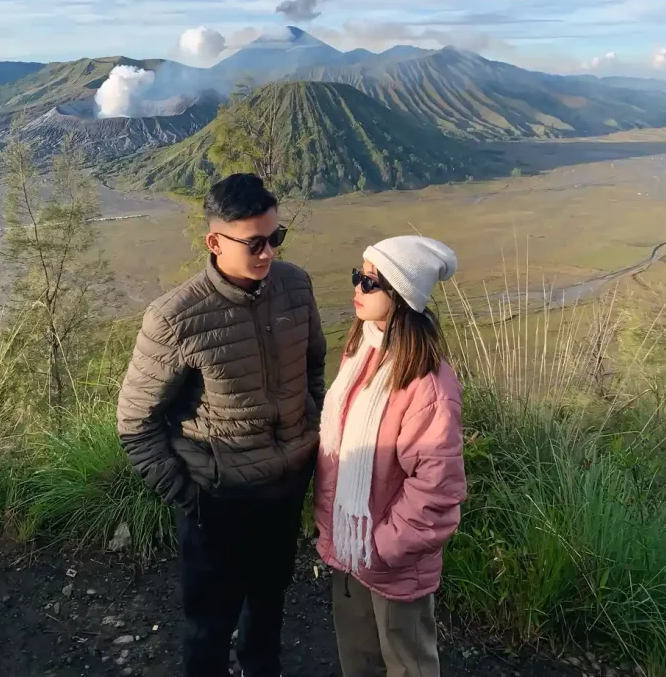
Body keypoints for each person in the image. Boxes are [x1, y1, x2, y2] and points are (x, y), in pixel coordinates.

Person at [117, 173, 326, 677]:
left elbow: (313, 366)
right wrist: (189, 495)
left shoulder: (296, 286)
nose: (269, 252)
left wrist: (309, 431)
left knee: (270, 603)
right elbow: (135, 422)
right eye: (255, 242)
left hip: (285, 487)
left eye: (276, 237)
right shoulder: (175, 318)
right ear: (214, 242)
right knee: (209, 624)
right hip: (218, 500)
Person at [314, 236, 466, 677]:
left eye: (369, 281)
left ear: (401, 295)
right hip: (350, 546)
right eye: (357, 276)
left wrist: (381, 548)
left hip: (390, 559)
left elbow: (436, 491)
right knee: (359, 660)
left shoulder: (428, 386)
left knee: (407, 665)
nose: (357, 287)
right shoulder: (363, 351)